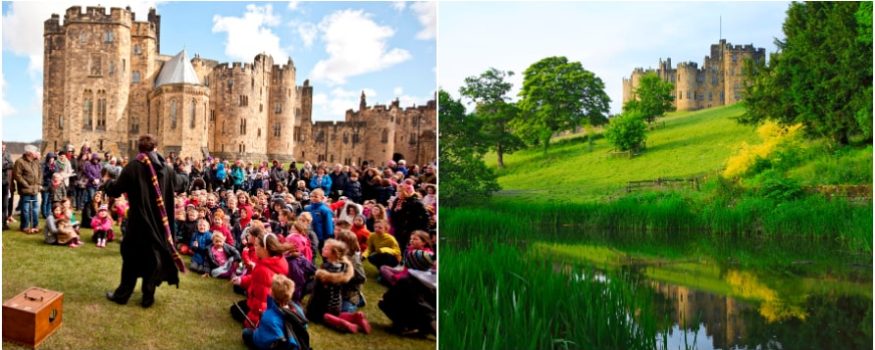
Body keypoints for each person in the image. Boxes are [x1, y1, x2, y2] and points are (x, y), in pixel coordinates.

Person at [102, 134, 186, 308]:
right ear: (155, 148)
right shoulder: (167, 169)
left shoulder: (133, 167)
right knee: (151, 259)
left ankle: (123, 295)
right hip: (159, 225)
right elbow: (180, 183)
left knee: (131, 259)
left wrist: (106, 184)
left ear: (140, 149)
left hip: (139, 223)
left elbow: (116, 189)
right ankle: (147, 297)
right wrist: (185, 175)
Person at [232, 227, 292, 329]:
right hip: (274, 306)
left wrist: (251, 322)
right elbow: (256, 279)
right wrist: (242, 280)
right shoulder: (279, 260)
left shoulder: (262, 270)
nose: (254, 248)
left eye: (256, 245)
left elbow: (261, 301)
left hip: (264, 311)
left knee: (235, 310)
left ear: (265, 248)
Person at [306, 239, 370, 334]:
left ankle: (343, 323)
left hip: (324, 304)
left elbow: (318, 293)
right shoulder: (344, 266)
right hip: (337, 304)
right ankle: (354, 317)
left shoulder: (325, 269)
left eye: (326, 249)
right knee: (336, 313)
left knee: (321, 317)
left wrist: (310, 307)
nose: (323, 249)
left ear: (334, 253)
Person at [242, 274, 309, 350]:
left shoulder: (269, 317)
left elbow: (261, 341)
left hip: (274, 345)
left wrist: (259, 330)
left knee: (246, 332)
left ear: (272, 293)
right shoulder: (297, 309)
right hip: (292, 343)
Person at [14, 145, 41, 234]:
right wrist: (26, 185)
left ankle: (35, 226)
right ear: (29, 153)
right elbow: (17, 175)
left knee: (35, 209)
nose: (36, 153)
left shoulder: (36, 161)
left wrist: (39, 184)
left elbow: (40, 173)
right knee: (25, 209)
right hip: (25, 191)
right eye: (34, 151)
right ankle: (25, 226)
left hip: (34, 190)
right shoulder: (19, 162)